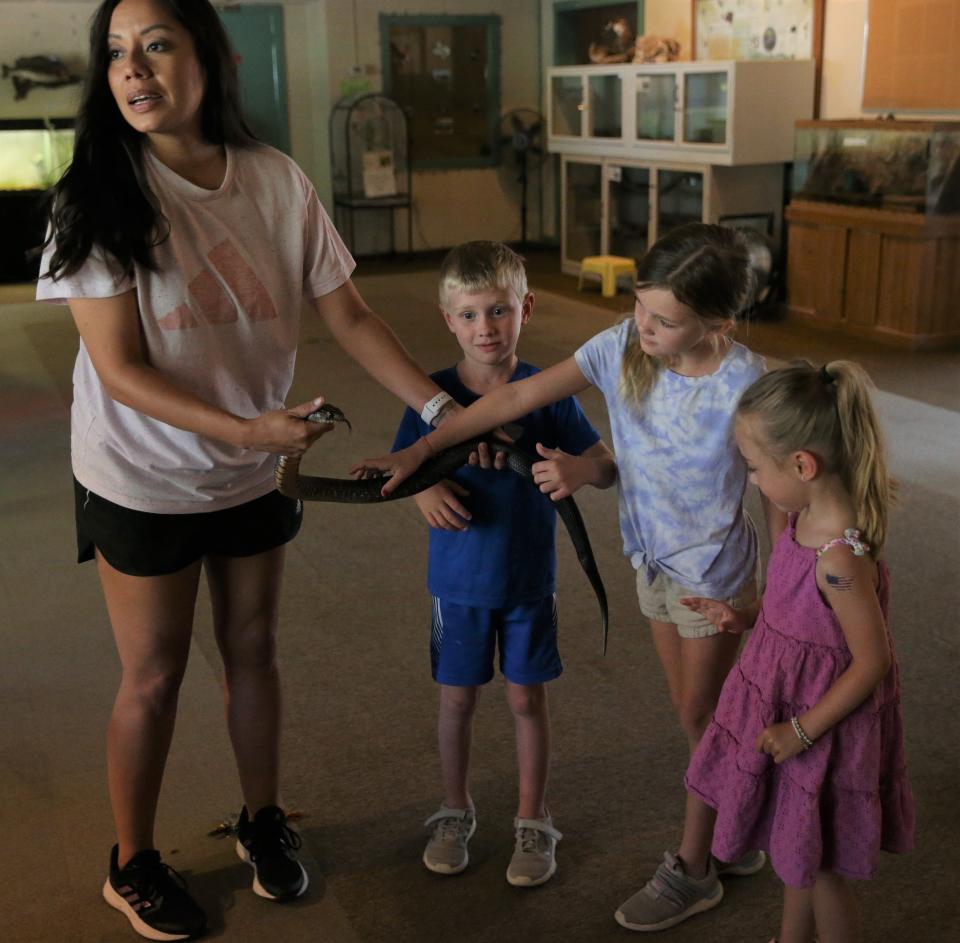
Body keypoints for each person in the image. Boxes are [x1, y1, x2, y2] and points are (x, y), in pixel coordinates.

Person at [35, 1, 458, 939]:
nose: (133, 70)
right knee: (154, 673)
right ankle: (130, 860)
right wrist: (248, 428)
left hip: (254, 468)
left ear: (211, 59)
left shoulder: (274, 180)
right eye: (114, 54)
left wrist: (442, 410)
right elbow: (121, 371)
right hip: (142, 472)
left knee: (254, 651)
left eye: (155, 45)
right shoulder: (96, 195)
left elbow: (347, 316)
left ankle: (261, 820)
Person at [357, 223, 783, 927]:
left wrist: (768, 600)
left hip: (714, 578)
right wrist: (425, 449)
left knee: (705, 720)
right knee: (694, 715)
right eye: (639, 307)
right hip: (652, 562)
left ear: (719, 322)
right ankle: (730, 829)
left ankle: (694, 867)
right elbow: (512, 402)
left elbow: (775, 497)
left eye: (663, 320)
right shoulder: (621, 345)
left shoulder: (747, 384)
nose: (641, 325)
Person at [393, 241, 616, 886]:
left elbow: (605, 464)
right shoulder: (431, 396)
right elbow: (405, 469)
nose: (484, 329)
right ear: (447, 319)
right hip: (456, 585)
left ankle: (532, 817)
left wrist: (580, 470)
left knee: (525, 698)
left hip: (527, 584)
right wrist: (426, 489)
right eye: (468, 316)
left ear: (526, 308)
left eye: (498, 311)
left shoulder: (547, 393)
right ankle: (453, 808)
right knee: (456, 699)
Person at [682, 361, 914, 943]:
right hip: (786, 703)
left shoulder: (839, 559)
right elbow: (798, 612)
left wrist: (803, 731)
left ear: (802, 465)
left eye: (756, 468)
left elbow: (872, 662)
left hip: (824, 726)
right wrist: (745, 618)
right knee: (796, 843)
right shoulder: (802, 518)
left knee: (825, 871)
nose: (754, 480)